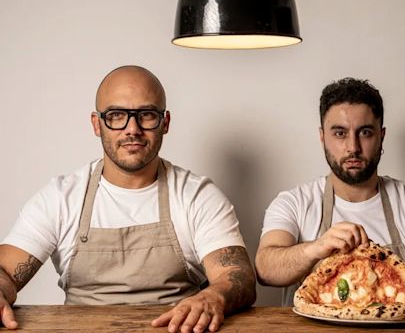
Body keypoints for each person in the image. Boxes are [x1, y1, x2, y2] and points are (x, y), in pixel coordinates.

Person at [0, 65, 256, 333]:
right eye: (116, 115)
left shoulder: (196, 196)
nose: (132, 129)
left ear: (165, 123)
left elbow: (237, 276)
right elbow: (5, 271)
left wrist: (213, 297)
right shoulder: (60, 199)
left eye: (146, 115)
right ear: (97, 124)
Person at [255, 78, 405, 319]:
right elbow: (265, 269)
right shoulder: (294, 202)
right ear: (322, 137)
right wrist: (316, 248)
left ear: (381, 136)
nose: (353, 147)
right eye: (340, 133)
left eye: (364, 132)